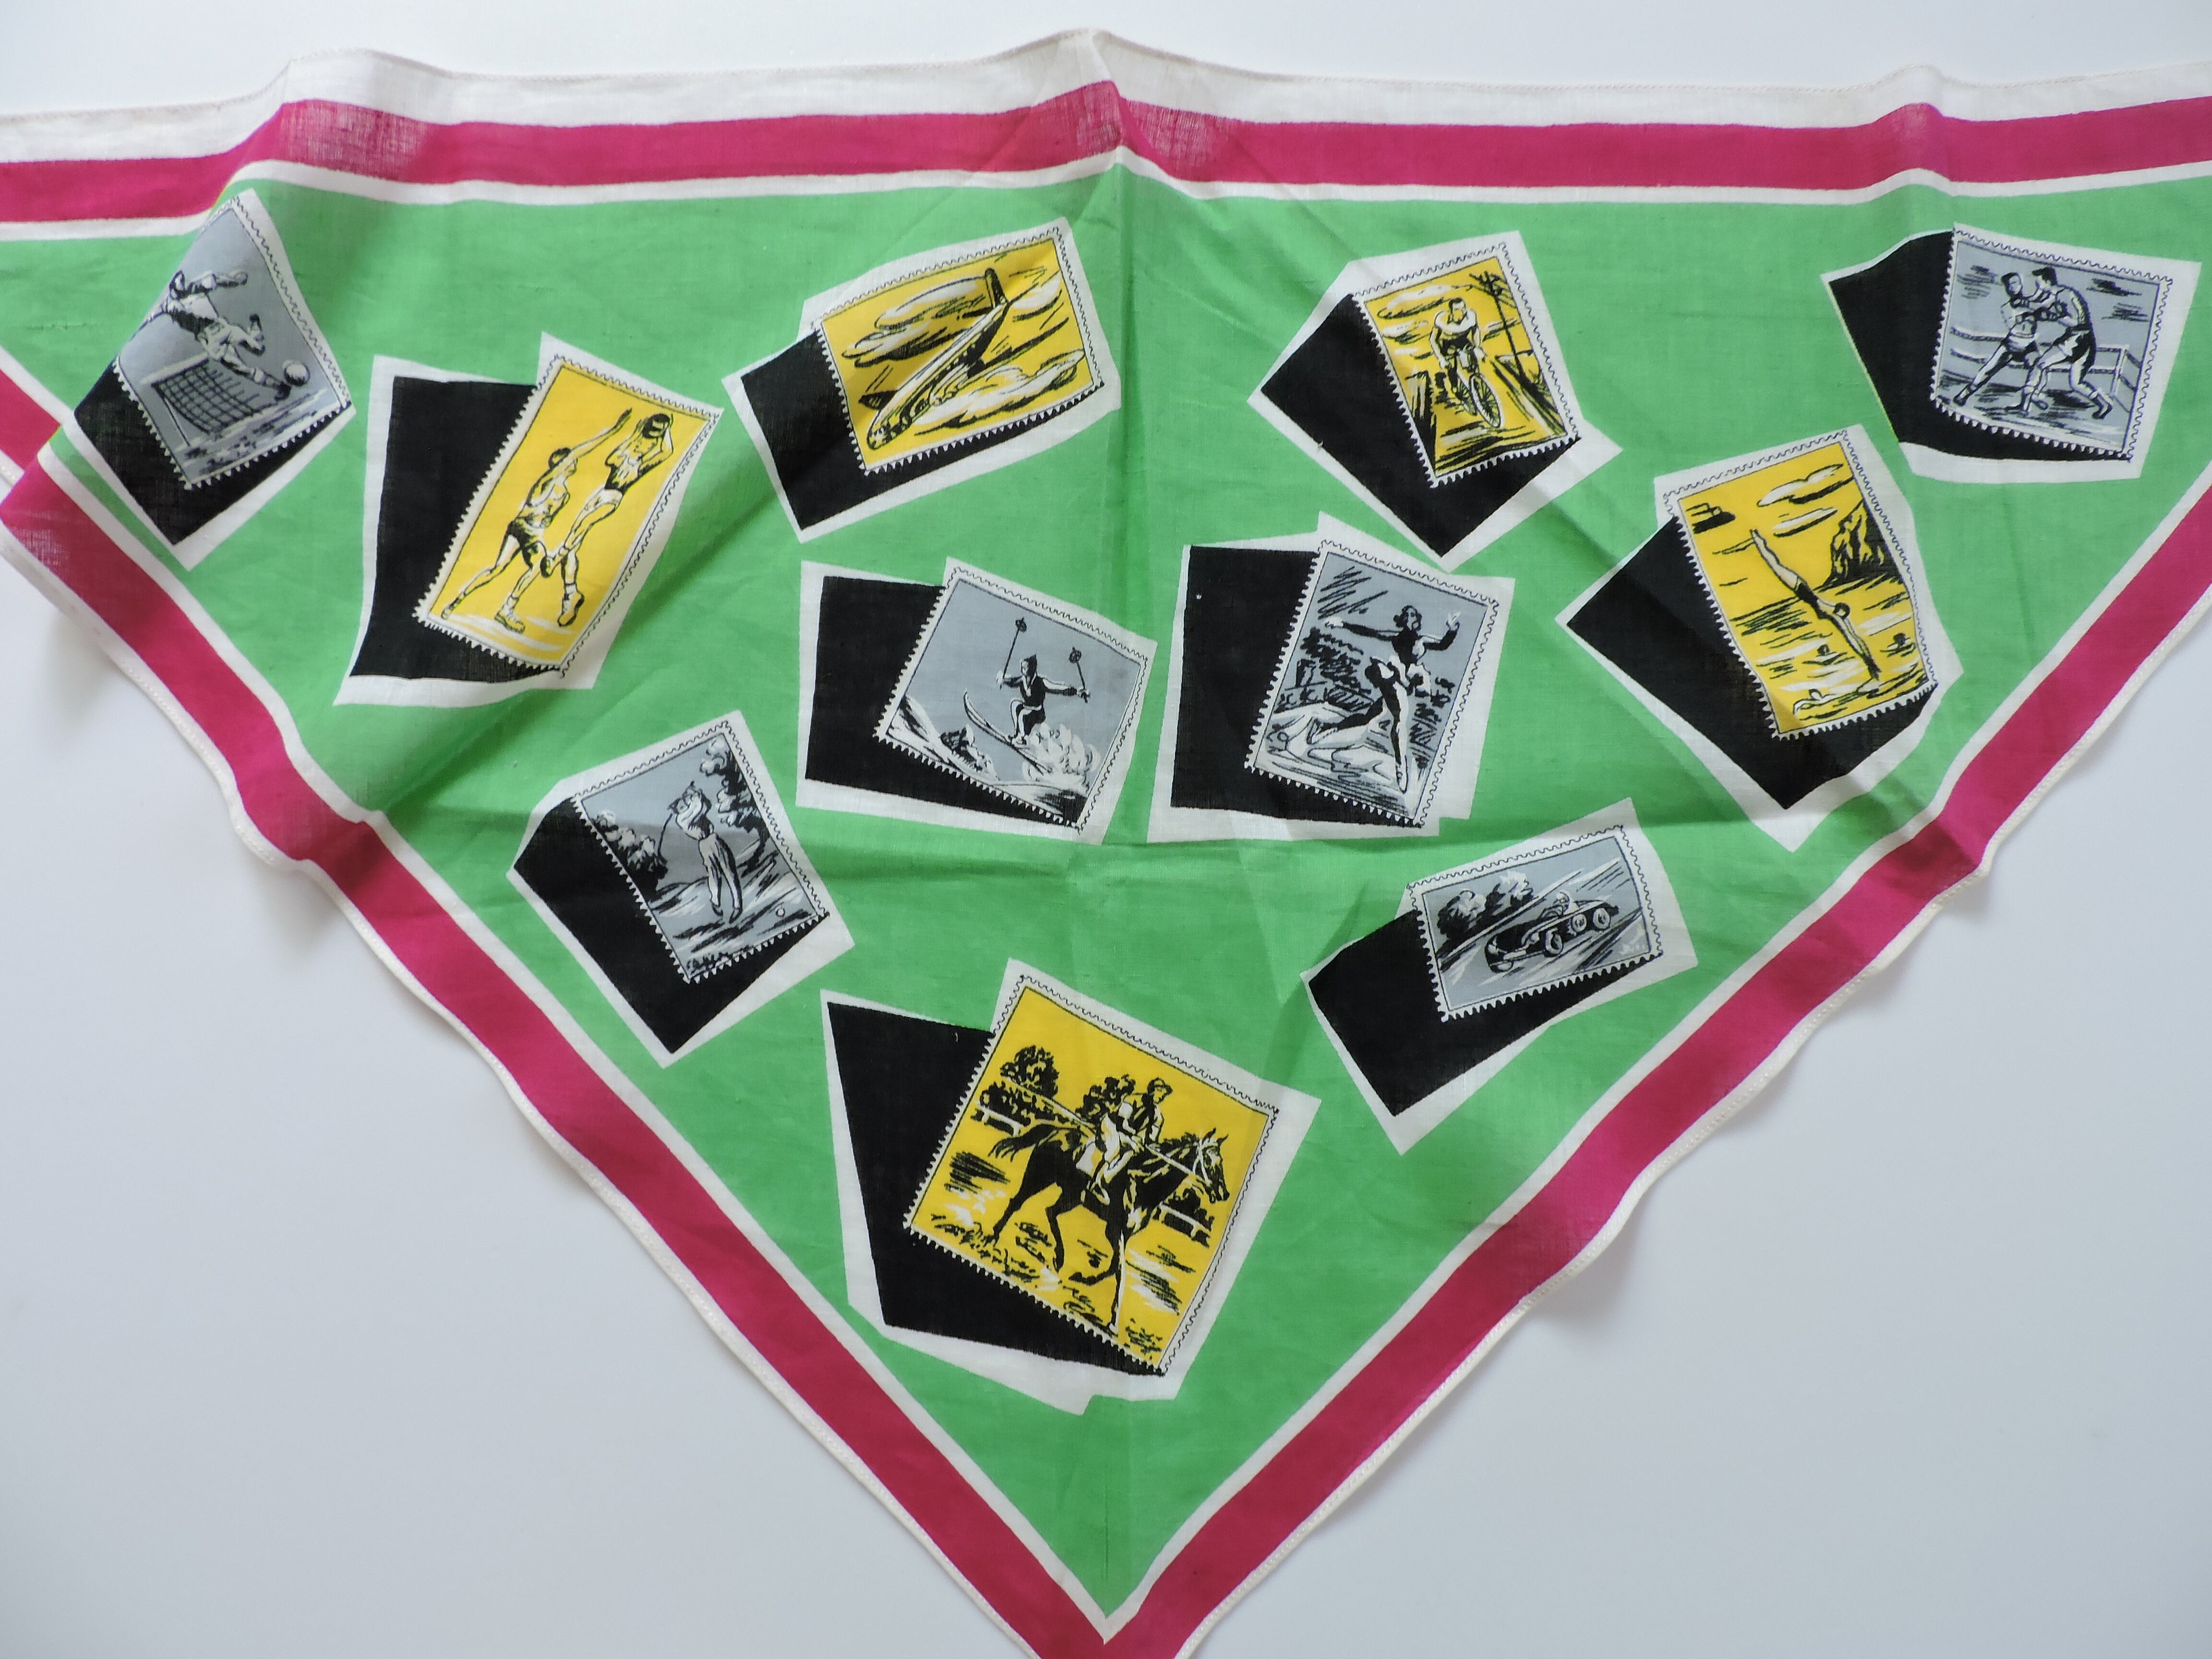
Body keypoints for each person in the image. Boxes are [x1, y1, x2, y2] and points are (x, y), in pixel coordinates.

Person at [438, 410, 629, 630]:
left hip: (534, 534)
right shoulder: (547, 483)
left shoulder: (565, 494)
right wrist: (614, 431)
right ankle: (460, 602)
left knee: (537, 567)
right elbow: (575, 454)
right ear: (560, 464)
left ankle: (506, 609)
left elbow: (550, 523)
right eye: (568, 460)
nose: (573, 462)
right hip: (521, 527)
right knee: (498, 569)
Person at [542, 411, 678, 626]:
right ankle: (571, 594)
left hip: (614, 497)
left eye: (655, 436)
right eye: (648, 432)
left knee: (583, 526)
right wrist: (634, 438)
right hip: (600, 493)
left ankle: (555, 558)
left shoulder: (643, 463)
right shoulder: (628, 450)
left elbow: (667, 451)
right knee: (574, 544)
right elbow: (610, 460)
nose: (648, 439)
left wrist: (667, 430)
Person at [1318, 603, 1461, 795]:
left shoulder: (1423, 641)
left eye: (1416, 615)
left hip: (1400, 686)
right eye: (1410, 615)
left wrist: (1452, 629)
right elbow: (1370, 632)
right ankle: (1401, 766)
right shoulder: (1397, 637)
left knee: (1370, 717)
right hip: (1393, 682)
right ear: (1404, 620)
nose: (1415, 617)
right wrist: (1342, 624)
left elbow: (1443, 645)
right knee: (1400, 721)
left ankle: (1329, 728)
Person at [1746, 528, 1880, 686]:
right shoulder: (1831, 611)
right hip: (1803, 589)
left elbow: (1853, 638)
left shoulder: (1834, 615)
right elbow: (1855, 638)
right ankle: (1759, 541)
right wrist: (1869, 660)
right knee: (1776, 564)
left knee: (1775, 565)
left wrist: (1869, 661)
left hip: (1801, 589)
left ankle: (1759, 542)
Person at [152, 268, 306, 397]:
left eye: (182, 279)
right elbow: (150, 317)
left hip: (223, 327)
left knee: (259, 349)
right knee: (243, 370)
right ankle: (280, 387)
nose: (182, 283)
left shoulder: (196, 288)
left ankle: (255, 330)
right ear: (171, 286)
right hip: (211, 341)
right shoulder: (168, 306)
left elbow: (217, 280)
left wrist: (236, 281)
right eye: (178, 281)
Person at [2020, 265, 2114, 419]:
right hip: (2085, 341)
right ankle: (2104, 404)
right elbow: (2042, 307)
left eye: (2039, 282)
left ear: (2047, 281)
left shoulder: (2064, 295)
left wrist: (2056, 317)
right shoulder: (2058, 294)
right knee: (2076, 383)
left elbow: (2077, 322)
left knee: (2041, 364)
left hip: (2076, 340)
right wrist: (2030, 307)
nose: (2038, 286)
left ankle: (2029, 400)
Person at [1950, 271, 2043, 407]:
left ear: (2021, 284)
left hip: (2029, 345)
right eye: (2008, 285)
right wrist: (2027, 314)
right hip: (2011, 344)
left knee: (2039, 366)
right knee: (1988, 370)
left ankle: (2031, 399)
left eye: (2015, 283)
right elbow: (2014, 325)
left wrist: (2033, 309)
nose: (2012, 287)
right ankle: (1964, 395)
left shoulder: (2031, 303)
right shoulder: (2006, 308)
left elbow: (2043, 311)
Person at [668, 782, 744, 922]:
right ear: (677, 810)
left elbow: (706, 805)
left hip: (712, 840)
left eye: (682, 804)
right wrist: (696, 796)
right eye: (680, 806)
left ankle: (737, 905)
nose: (683, 806)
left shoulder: (688, 811)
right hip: (707, 843)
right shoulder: (682, 819)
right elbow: (698, 808)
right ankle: (716, 902)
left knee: (729, 871)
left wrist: (696, 795)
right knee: (715, 874)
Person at [1429, 296, 1492, 425]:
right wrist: (1441, 358)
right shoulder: (1442, 320)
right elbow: (1433, 340)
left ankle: (1477, 383)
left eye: (1463, 309)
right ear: (1451, 311)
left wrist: (1478, 346)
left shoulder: (1471, 316)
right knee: (1452, 367)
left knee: (1473, 360)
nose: (1462, 312)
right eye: (1458, 310)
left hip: (1463, 341)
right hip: (1447, 345)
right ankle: (1456, 390)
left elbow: (1475, 330)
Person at [1001, 652, 1087, 743]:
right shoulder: (1023, 680)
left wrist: (1076, 692)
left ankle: (1024, 739)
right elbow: (1012, 682)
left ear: (1032, 669)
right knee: (1015, 704)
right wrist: (1004, 681)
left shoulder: (1041, 682)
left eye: (1025, 668)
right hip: (1027, 707)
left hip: (1037, 712)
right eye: (1022, 668)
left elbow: (1058, 688)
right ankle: (1018, 735)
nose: (1023, 670)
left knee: (1023, 714)